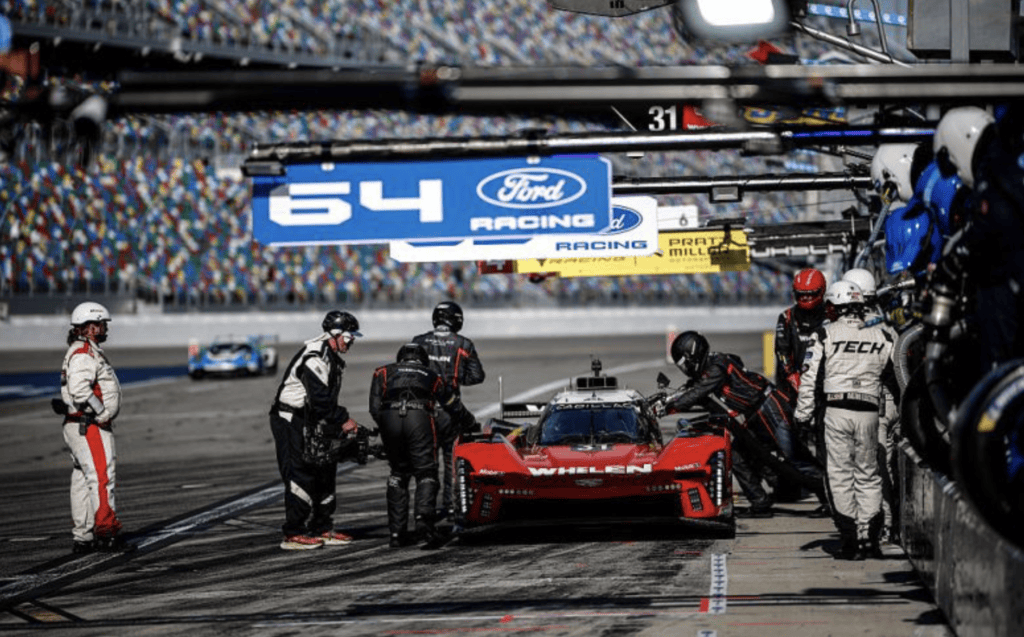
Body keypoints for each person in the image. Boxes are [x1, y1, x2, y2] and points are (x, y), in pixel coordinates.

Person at [655, 331, 823, 518]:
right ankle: (760, 502)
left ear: (692, 355)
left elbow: (698, 393)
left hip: (770, 407)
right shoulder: (711, 366)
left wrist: (670, 407)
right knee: (735, 455)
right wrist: (668, 399)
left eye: (685, 363)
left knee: (795, 456)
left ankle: (830, 498)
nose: (685, 368)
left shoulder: (716, 366)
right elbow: (694, 389)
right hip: (755, 415)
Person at [795, 280, 896, 560]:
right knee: (868, 474)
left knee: (840, 475)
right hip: (870, 411)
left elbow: (809, 378)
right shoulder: (883, 334)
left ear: (834, 306)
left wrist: (802, 415)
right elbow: (896, 376)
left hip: (837, 410)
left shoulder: (824, 334)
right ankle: (870, 539)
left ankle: (851, 541)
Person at [269, 310, 363, 550]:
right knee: (300, 471)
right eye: (350, 337)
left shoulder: (331, 356)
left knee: (325, 467)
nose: (351, 341)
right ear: (335, 334)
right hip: (292, 418)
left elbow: (322, 404)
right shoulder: (316, 356)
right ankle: (293, 532)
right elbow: (320, 400)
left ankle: (321, 527)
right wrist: (343, 419)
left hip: (312, 418)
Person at [58, 301, 127, 555]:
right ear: (87, 328)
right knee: (101, 478)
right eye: (100, 324)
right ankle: (106, 532)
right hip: (89, 426)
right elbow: (79, 390)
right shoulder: (84, 353)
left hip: (79, 425)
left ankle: (84, 536)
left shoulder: (83, 350)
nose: (103, 328)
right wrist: (101, 412)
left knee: (82, 480)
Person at [369, 343, 453, 548]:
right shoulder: (432, 374)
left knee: (398, 473)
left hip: (389, 417)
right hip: (419, 417)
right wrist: (467, 421)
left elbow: (374, 407)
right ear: (422, 359)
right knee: (426, 472)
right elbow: (451, 404)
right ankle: (423, 523)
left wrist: (388, 428)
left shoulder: (382, 372)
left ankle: (397, 534)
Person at [843, 267, 903, 545]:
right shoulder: (887, 323)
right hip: (894, 403)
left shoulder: (860, 329)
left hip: (874, 404)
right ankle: (889, 524)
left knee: (872, 469)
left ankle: (885, 526)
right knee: (885, 468)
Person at [412, 301, 486, 518]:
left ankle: (425, 512)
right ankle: (451, 508)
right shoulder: (463, 344)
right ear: (456, 320)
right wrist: (453, 378)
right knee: (451, 461)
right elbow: (477, 376)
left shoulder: (418, 342)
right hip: (449, 410)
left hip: (422, 412)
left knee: (426, 464)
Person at [774, 268, 828, 397]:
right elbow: (782, 351)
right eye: (801, 294)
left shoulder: (832, 316)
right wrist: (793, 377)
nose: (805, 298)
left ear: (821, 291)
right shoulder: (786, 317)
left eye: (810, 294)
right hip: (791, 386)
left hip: (825, 384)